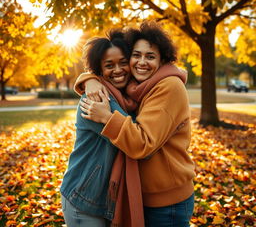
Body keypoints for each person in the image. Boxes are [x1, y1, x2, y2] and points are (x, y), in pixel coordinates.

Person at [76, 21, 195, 227]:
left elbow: (142, 143)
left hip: (168, 202)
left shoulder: (168, 87)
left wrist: (107, 118)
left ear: (163, 59)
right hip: (145, 196)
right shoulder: (139, 87)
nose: (141, 62)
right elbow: (108, 71)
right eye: (136, 55)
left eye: (150, 56)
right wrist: (89, 79)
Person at [60, 29, 144, 227]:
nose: (117, 70)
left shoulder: (128, 97)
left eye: (123, 62)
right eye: (109, 65)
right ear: (99, 70)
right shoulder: (97, 99)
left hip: (102, 199)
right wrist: (89, 80)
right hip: (83, 198)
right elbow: (138, 141)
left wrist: (87, 79)